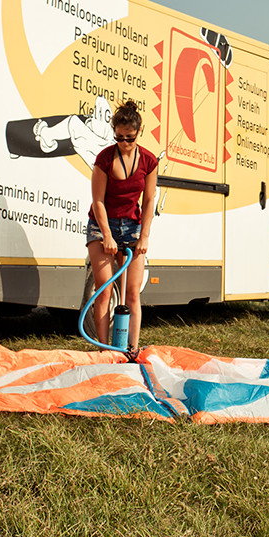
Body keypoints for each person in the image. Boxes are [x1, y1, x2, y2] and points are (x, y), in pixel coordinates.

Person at [86, 100, 158, 352]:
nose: (123, 143)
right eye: (118, 137)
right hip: (102, 224)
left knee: (132, 293)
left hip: (132, 227)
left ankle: (131, 349)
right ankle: (104, 350)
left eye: (129, 138)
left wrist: (144, 236)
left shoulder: (148, 161)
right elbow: (97, 200)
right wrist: (106, 235)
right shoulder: (104, 159)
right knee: (104, 290)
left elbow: (148, 200)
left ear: (140, 132)